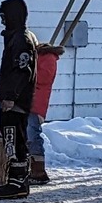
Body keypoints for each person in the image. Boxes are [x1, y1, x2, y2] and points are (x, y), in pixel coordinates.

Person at [0, 0, 38, 197]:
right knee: (10, 138)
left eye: (4, 16)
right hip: (12, 99)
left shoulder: (22, 39)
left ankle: (18, 181)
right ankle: (15, 178)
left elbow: (23, 71)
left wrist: (11, 96)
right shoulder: (16, 38)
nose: (3, 21)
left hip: (16, 101)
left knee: (14, 139)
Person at [28, 41, 61, 184]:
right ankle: (33, 168)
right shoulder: (41, 57)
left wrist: (28, 71)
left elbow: (43, 78)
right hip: (32, 103)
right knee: (29, 135)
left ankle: (38, 171)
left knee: (32, 135)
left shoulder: (48, 58)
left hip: (36, 104)